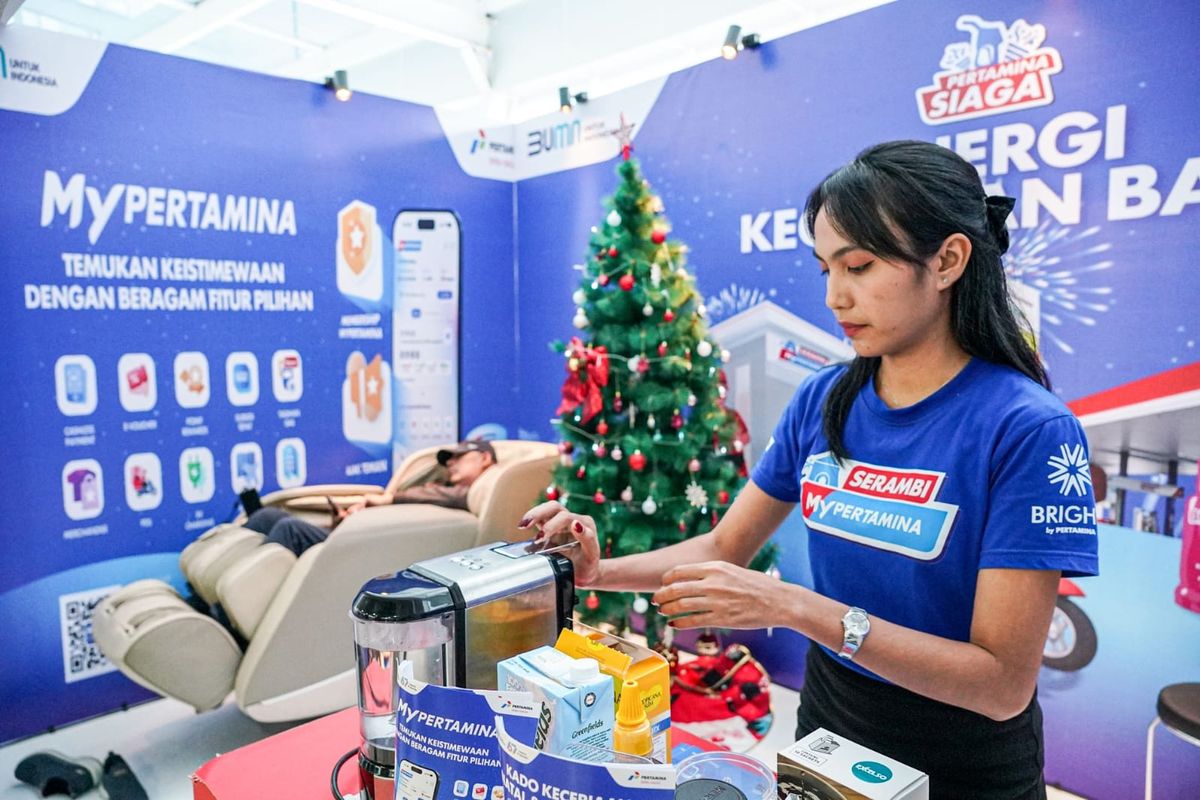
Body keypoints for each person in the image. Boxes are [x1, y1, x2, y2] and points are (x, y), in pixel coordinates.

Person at [522, 141, 1099, 800]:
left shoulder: (1028, 428)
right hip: (829, 733)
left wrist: (796, 607)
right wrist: (600, 572)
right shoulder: (824, 400)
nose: (834, 296)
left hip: (961, 762)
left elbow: (1000, 687)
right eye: (826, 267)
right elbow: (722, 548)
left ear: (947, 260)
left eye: (859, 265)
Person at [243, 438, 497, 556]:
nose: (451, 462)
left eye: (459, 456)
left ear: (485, 458)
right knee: (268, 516)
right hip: (364, 533)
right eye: (448, 459)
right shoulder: (437, 487)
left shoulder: (478, 491)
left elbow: (455, 498)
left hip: (376, 546)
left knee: (290, 530)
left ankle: (238, 606)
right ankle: (211, 594)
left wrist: (388, 500)